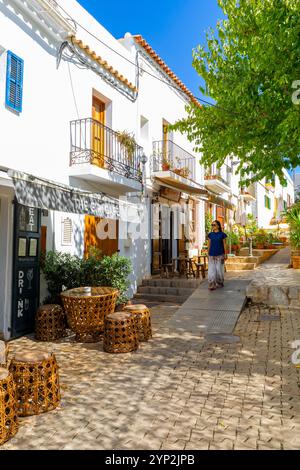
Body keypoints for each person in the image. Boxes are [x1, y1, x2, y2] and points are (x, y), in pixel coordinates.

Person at [207, 220, 227, 290]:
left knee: (219, 269)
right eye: (212, 225)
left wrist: (226, 254)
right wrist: (207, 253)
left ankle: (220, 282)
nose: (213, 226)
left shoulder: (222, 234)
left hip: (220, 254)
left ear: (218, 226)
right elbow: (209, 244)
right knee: (211, 270)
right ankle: (212, 284)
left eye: (214, 225)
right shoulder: (210, 235)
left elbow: (224, 244)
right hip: (211, 254)